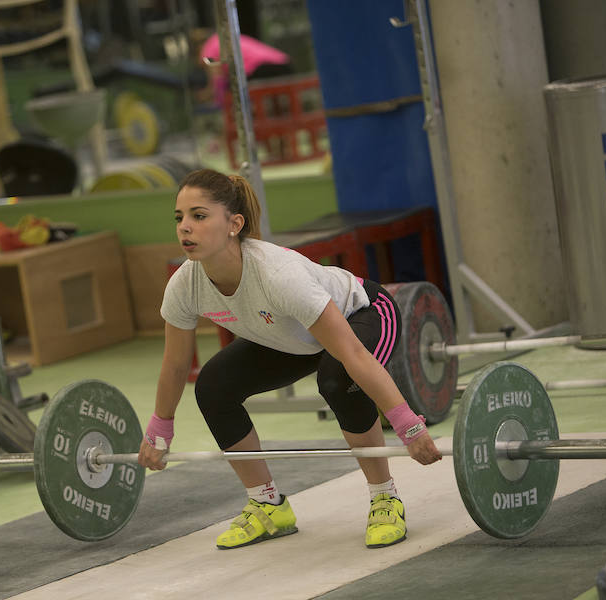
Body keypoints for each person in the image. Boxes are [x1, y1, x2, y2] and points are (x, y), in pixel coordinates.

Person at [138, 169, 442, 550]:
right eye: (179, 217)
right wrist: (158, 429)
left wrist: (408, 426)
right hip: (293, 336)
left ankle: (384, 496)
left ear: (234, 224)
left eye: (198, 216)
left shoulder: (277, 274)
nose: (185, 227)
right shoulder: (185, 285)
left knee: (337, 379)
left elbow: (351, 352)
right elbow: (176, 364)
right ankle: (268, 505)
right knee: (214, 385)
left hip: (362, 313)